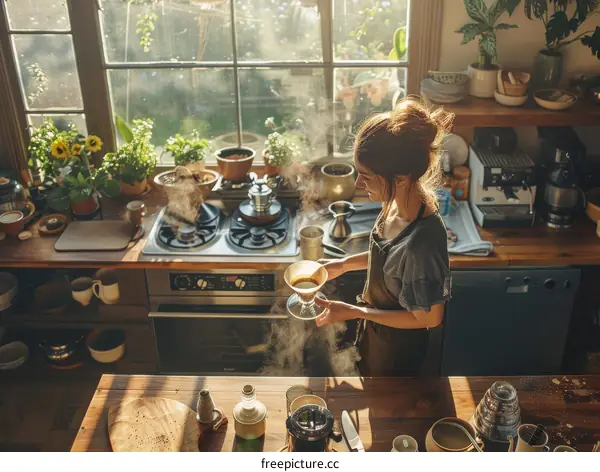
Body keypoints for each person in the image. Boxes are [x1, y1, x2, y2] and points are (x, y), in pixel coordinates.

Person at [315, 98, 453, 376]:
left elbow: (429, 318)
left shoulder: (421, 243)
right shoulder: (394, 205)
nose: (357, 184)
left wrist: (356, 312)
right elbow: (389, 259)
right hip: (375, 338)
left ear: (400, 178)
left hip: (399, 359)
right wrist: (342, 265)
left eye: (366, 176)